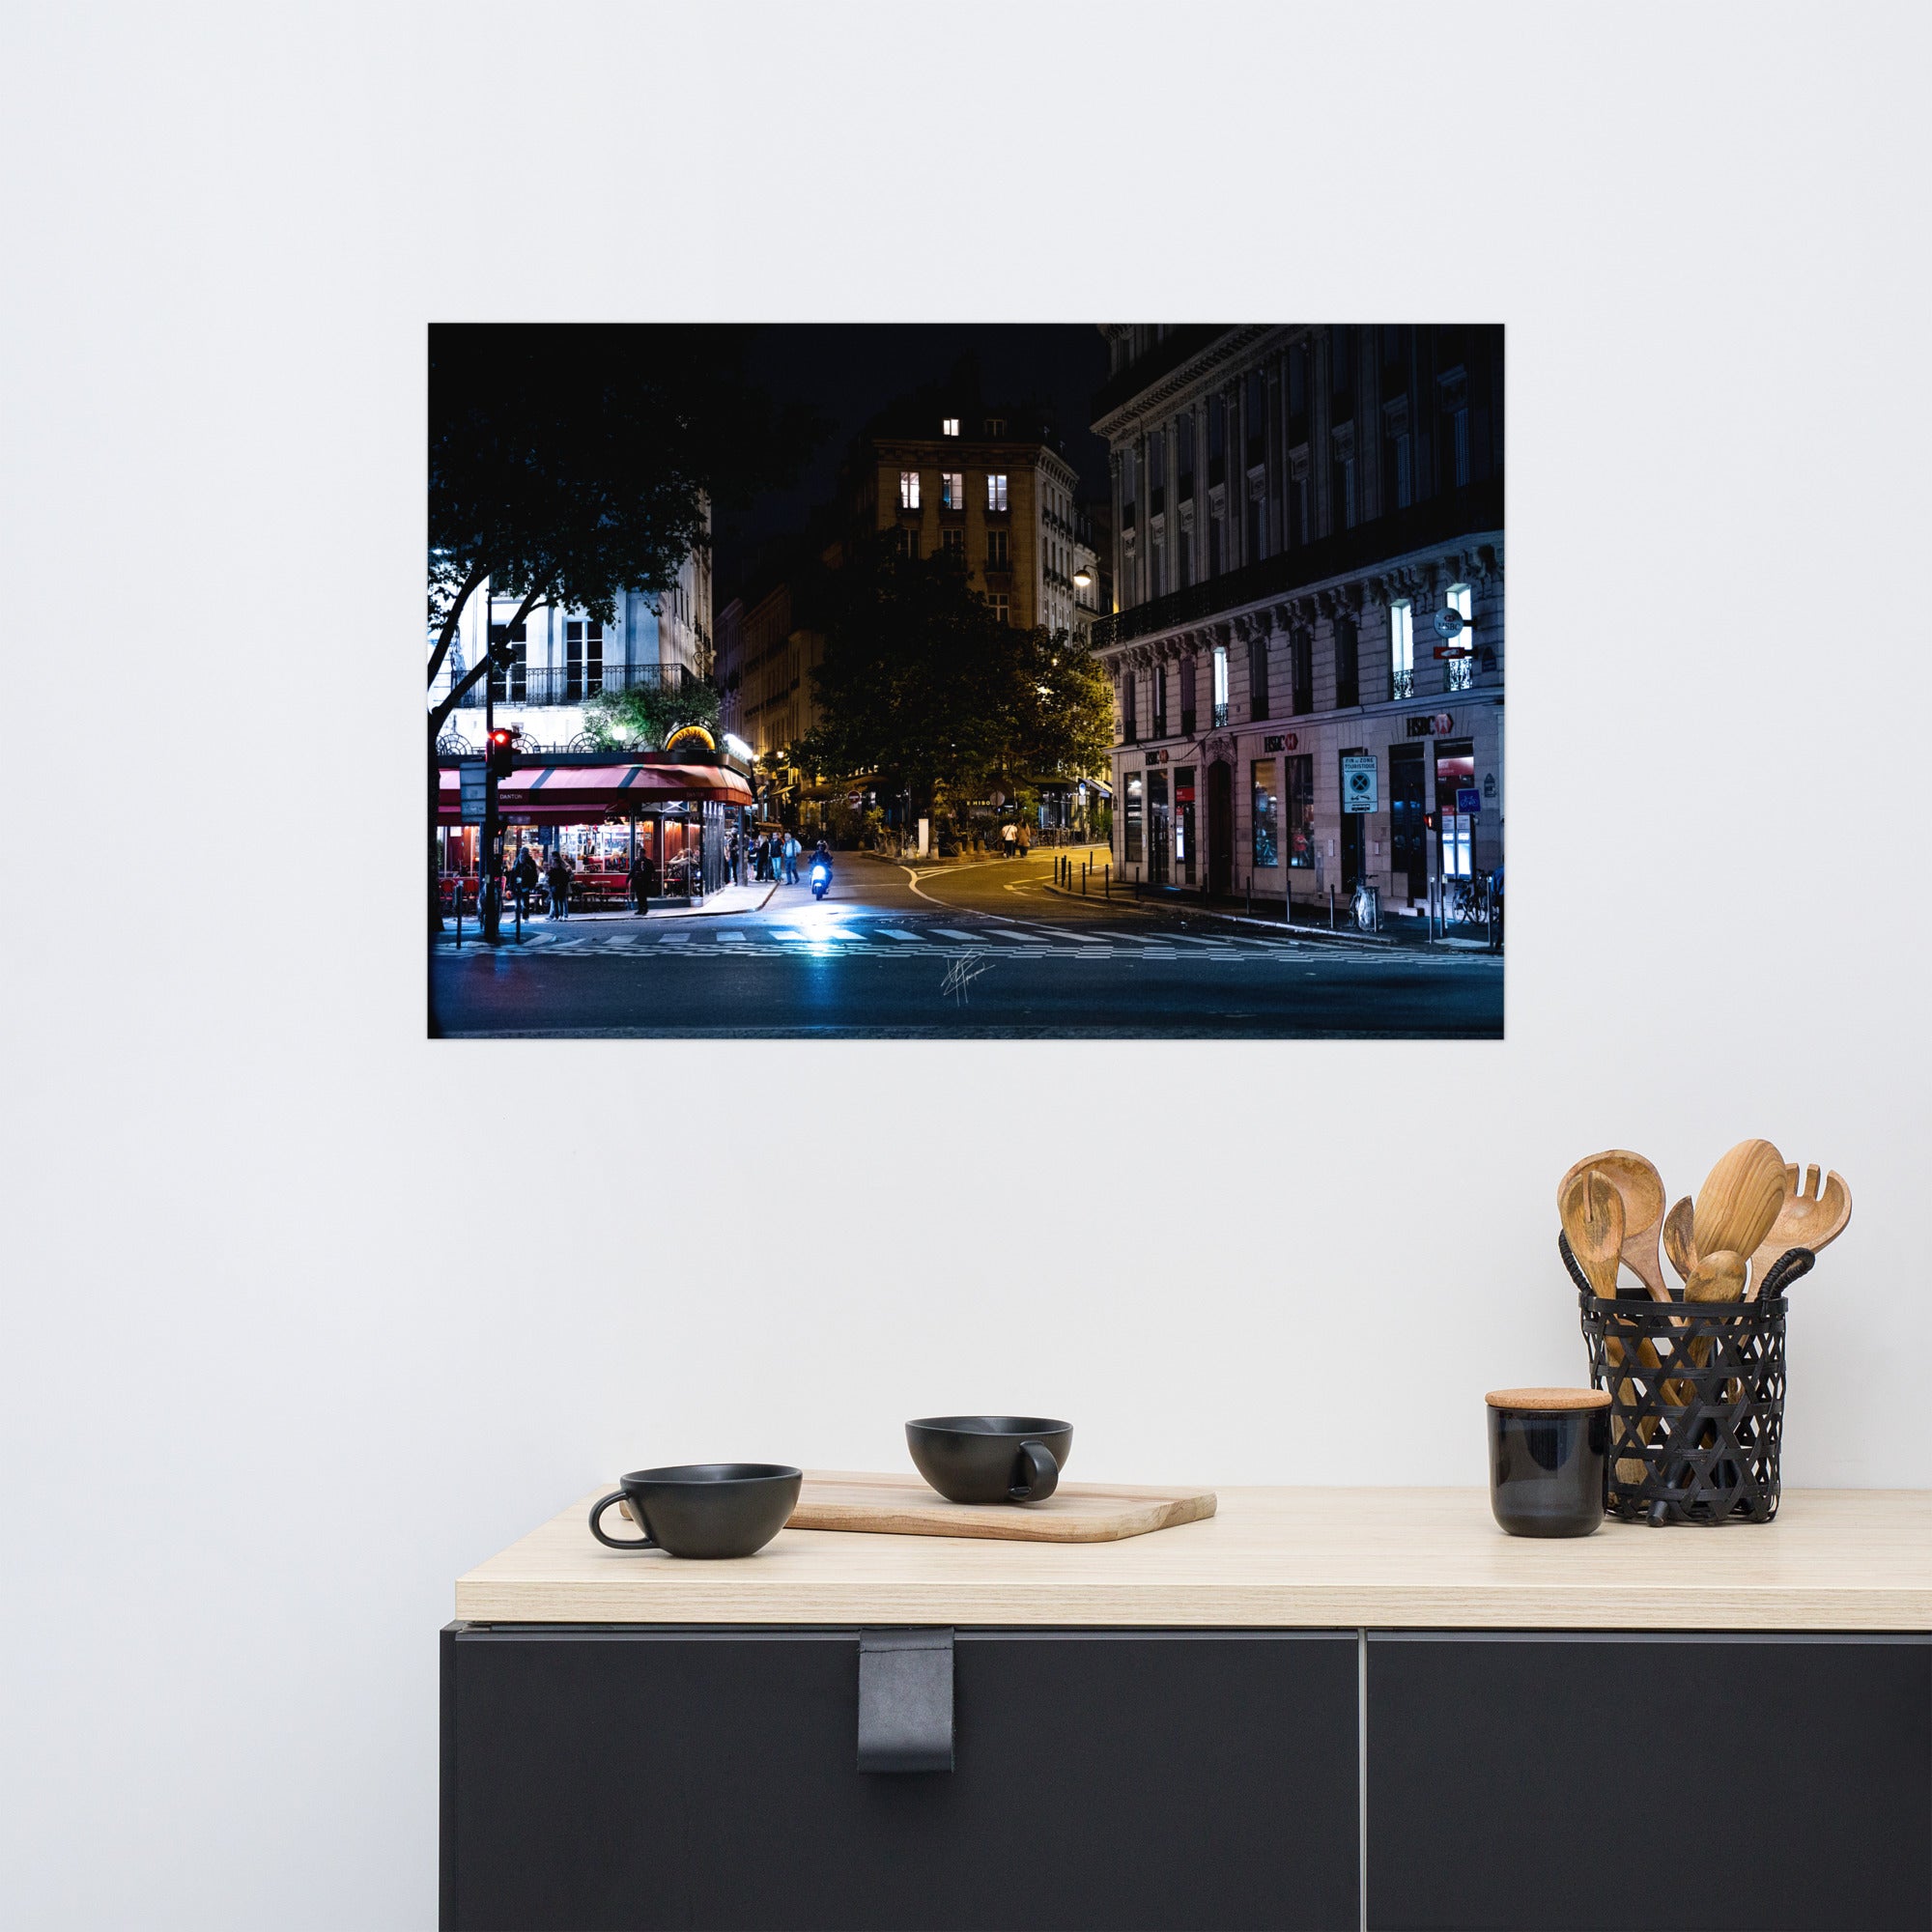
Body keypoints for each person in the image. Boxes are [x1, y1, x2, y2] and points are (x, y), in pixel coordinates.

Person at [511, 845, 538, 920]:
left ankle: (525, 917)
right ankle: (517, 917)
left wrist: (532, 884)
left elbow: (533, 874)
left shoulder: (530, 862)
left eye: (524, 852)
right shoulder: (516, 861)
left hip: (525, 884)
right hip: (517, 884)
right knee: (517, 902)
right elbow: (513, 874)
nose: (522, 854)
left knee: (525, 901)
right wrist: (511, 885)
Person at [628, 846, 656, 917]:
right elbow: (632, 870)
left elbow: (652, 871)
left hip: (645, 880)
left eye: (640, 853)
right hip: (637, 881)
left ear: (643, 854)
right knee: (638, 895)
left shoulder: (648, 862)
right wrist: (628, 878)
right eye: (638, 853)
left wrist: (649, 877)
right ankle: (640, 909)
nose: (639, 854)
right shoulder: (636, 861)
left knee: (643, 895)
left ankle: (645, 908)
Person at [547, 850, 572, 919]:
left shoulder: (560, 864)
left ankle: (558, 914)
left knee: (560, 900)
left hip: (561, 884)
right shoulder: (560, 863)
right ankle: (559, 914)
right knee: (561, 900)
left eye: (552, 856)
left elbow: (568, 870)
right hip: (561, 885)